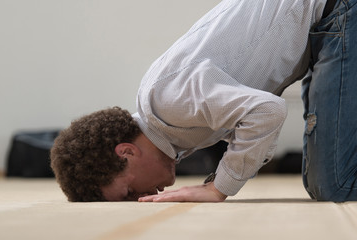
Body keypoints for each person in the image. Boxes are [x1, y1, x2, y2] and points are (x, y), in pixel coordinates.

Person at [50, 0, 357, 202]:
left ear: (127, 152)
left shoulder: (168, 102)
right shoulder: (171, 123)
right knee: (321, 179)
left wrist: (216, 189)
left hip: (337, 9)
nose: (141, 199)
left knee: (336, 186)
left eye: (129, 192)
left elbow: (268, 111)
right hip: (323, 26)